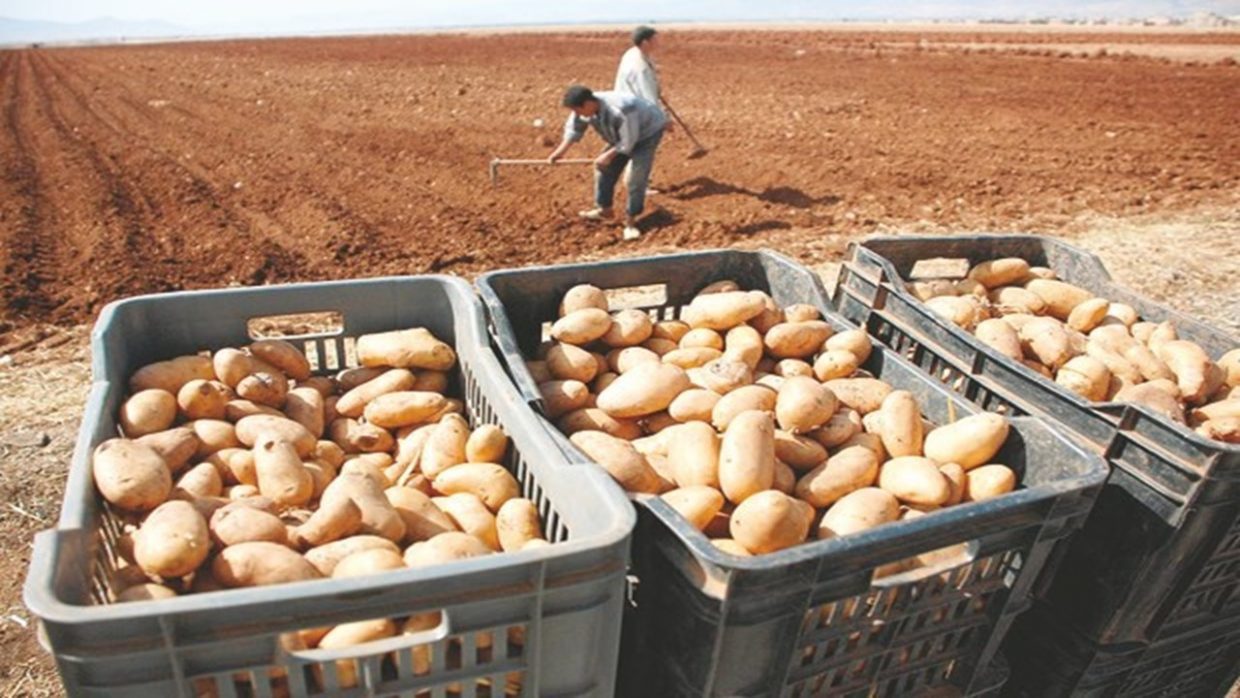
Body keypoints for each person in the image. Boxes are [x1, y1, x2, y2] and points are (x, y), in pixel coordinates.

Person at [547, 85, 666, 241]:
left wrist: (609, 155)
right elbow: (575, 128)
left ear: (588, 104)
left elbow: (628, 141)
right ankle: (604, 209)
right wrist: (559, 152)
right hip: (622, 134)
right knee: (603, 169)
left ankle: (631, 222)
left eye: (577, 110)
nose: (576, 113)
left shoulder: (622, 109)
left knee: (636, 178)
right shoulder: (584, 108)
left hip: (647, 134)